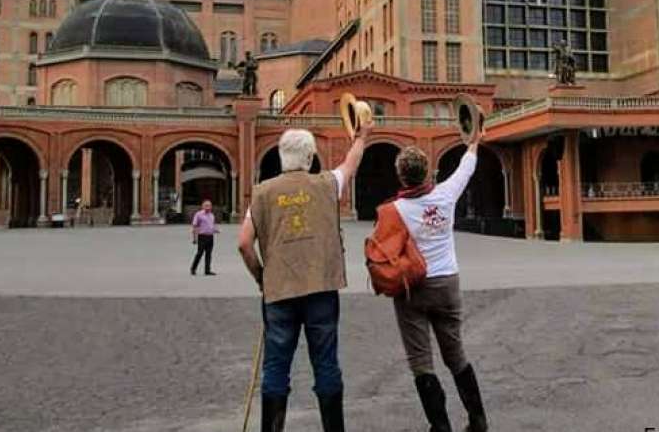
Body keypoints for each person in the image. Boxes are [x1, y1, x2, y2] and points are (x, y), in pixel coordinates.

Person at [237, 125, 369, 431]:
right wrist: (362, 138)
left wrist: (261, 277)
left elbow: (244, 243)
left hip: (278, 292)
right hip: (321, 289)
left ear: (282, 156)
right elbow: (350, 165)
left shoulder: (262, 192)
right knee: (326, 365)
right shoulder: (325, 184)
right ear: (310, 157)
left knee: (275, 368)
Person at [381, 134, 488, 432]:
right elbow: (467, 166)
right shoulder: (446, 194)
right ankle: (478, 420)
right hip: (447, 284)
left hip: (412, 288)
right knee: (456, 354)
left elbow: (382, 252)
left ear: (401, 176)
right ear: (427, 172)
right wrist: (473, 141)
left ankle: (440, 427)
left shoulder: (393, 211)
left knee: (420, 361)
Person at [190, 200, 219, 276]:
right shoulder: (199, 215)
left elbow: (211, 225)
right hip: (202, 237)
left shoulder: (212, 215)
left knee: (209, 254)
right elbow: (195, 226)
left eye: (209, 206)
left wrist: (215, 230)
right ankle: (193, 268)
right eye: (206, 205)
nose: (208, 207)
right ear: (202, 206)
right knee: (199, 253)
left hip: (210, 237)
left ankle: (207, 270)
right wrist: (194, 238)